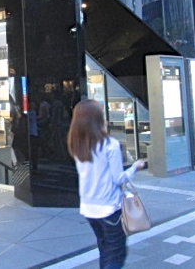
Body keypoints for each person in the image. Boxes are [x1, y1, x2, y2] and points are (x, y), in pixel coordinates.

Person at [67, 99, 145, 269]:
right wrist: (135, 167)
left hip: (88, 207)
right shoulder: (110, 144)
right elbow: (119, 179)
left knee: (105, 250)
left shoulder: (77, 145)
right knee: (116, 254)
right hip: (108, 207)